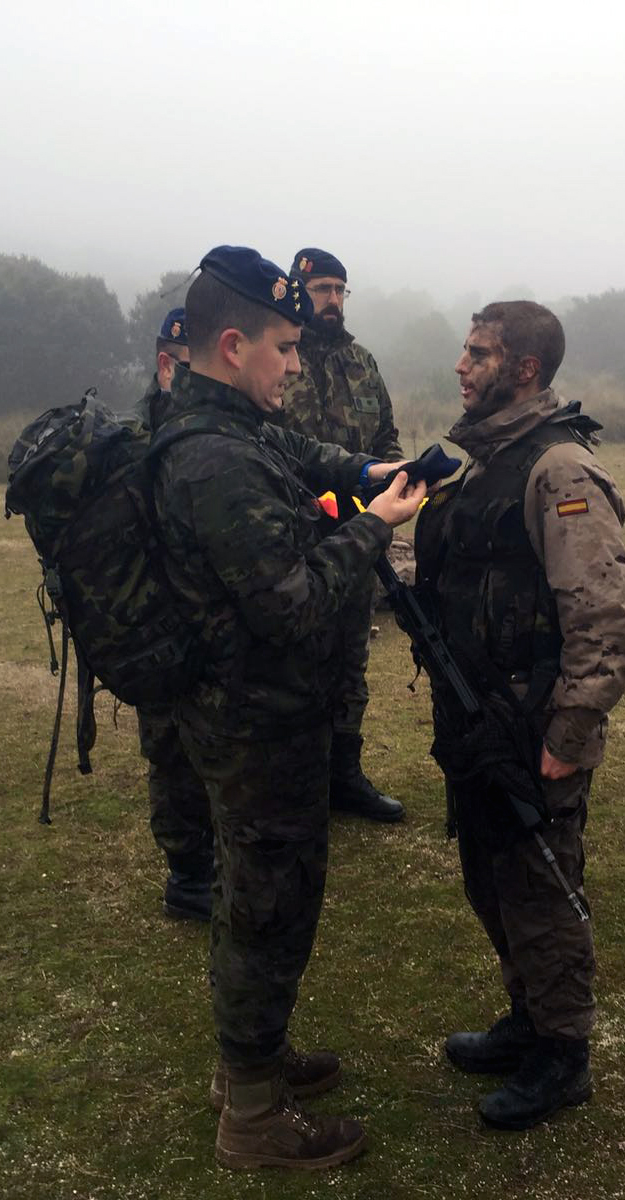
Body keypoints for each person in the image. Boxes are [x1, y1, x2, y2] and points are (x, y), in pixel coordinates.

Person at [149, 246, 426, 1170]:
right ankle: (255, 1121)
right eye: (284, 348)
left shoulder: (234, 424)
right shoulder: (213, 459)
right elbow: (293, 603)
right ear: (234, 346)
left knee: (255, 895)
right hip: (253, 722)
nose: (298, 365)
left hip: (263, 714)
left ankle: (252, 1065)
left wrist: (371, 468)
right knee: (268, 907)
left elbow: (307, 454)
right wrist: (376, 525)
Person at [413, 300, 625, 1130]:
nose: (459, 365)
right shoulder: (478, 462)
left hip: (531, 728)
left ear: (524, 370)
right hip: (475, 723)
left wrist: (570, 734)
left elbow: (606, 620)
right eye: (464, 350)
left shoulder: (557, 470)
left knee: (542, 891)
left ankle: (562, 1055)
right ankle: (526, 1019)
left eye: (476, 354)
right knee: (490, 881)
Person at [278, 247, 406, 822]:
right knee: (294, 661)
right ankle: (295, 783)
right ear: (299, 290)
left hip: (360, 536)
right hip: (292, 543)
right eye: (323, 288)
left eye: (340, 290)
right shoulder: (279, 357)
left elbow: (387, 438)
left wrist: (399, 483)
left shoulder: (363, 362)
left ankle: (344, 775)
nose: (332, 300)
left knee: (351, 659)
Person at [124, 308, 214, 919]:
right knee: (171, 748)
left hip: (207, 616)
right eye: (191, 368)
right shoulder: (137, 441)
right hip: (159, 621)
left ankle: (216, 861)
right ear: (166, 365)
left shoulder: (205, 427)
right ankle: (187, 876)